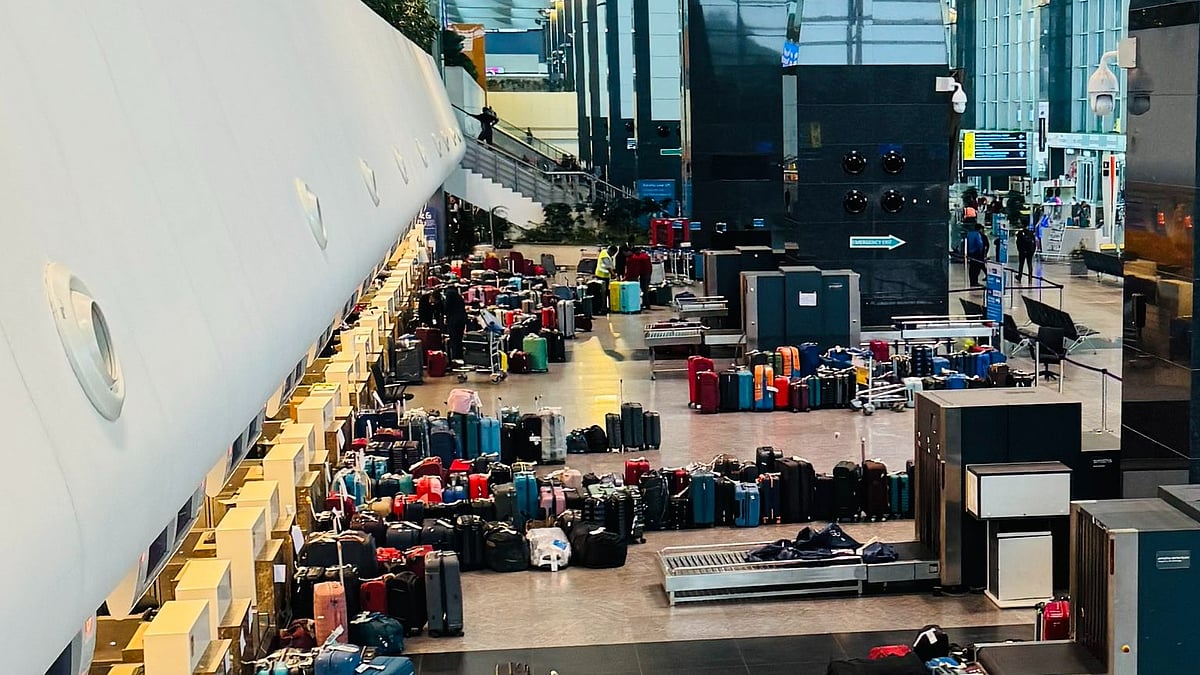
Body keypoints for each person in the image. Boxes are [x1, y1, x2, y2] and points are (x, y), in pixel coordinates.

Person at [442, 285, 467, 362]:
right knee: (459, 339)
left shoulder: (449, 295)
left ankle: (455, 357)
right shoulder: (458, 296)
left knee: (454, 339)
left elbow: (446, 308)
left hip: (454, 321)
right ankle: (460, 356)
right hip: (461, 320)